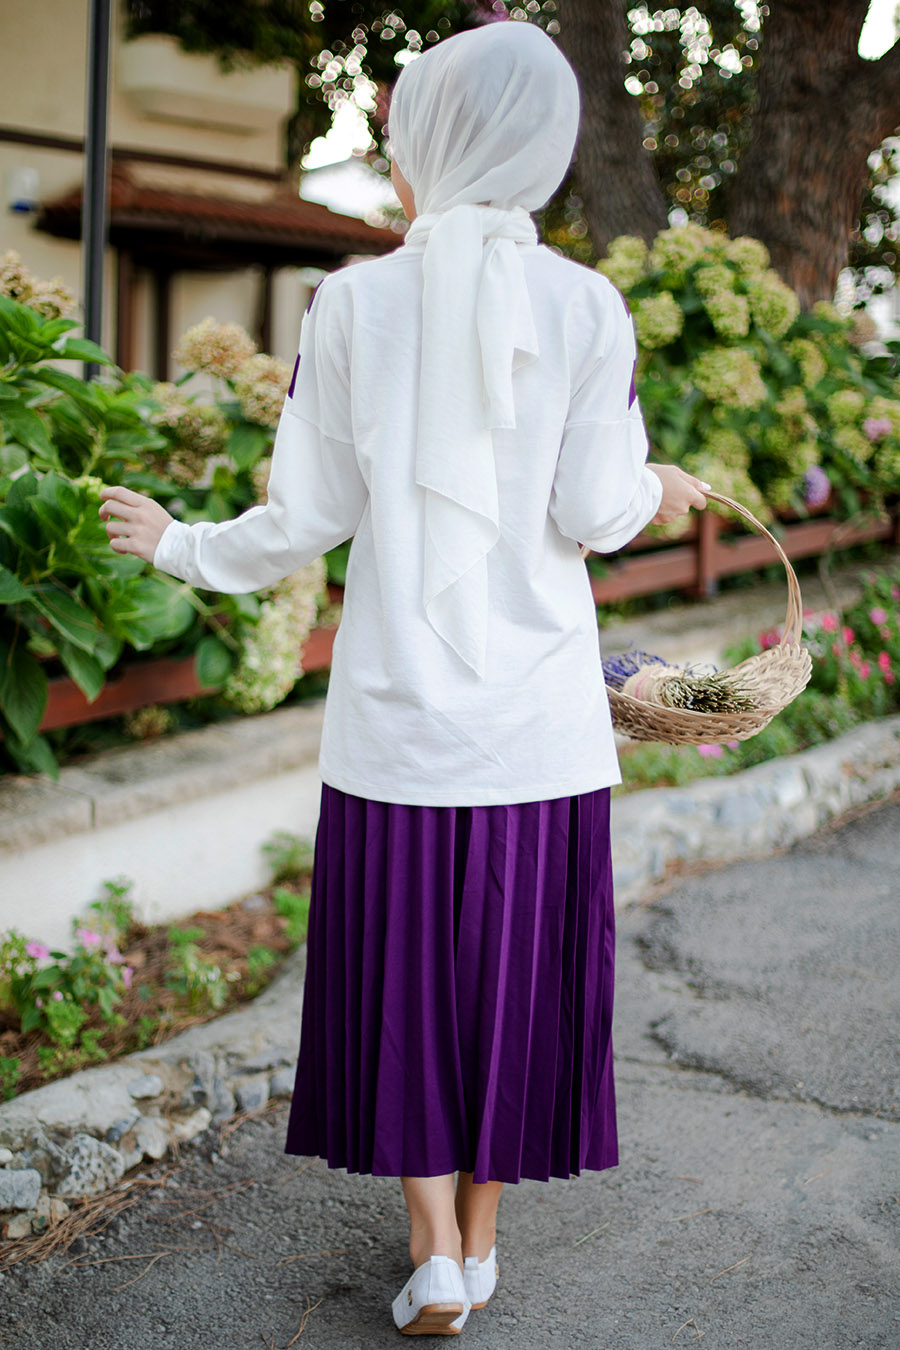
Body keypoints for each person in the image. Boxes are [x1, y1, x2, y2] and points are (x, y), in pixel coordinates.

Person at [100, 20, 708, 1337]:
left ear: (435, 143)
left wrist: (180, 543)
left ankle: (432, 1250)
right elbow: (599, 510)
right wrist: (662, 486)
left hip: (396, 735)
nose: (393, 156)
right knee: (515, 988)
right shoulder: (585, 307)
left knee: (411, 988)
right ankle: (477, 1244)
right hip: (539, 735)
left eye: (402, 133)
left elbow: (304, 516)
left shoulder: (352, 304)